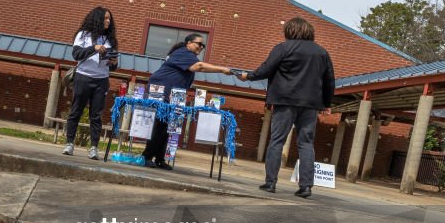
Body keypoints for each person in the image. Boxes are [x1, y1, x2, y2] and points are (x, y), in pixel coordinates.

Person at [239, 17, 335, 198]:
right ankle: (306, 187)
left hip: (285, 101)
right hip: (310, 105)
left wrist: (248, 76)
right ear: (309, 31)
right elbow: (329, 79)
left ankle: (270, 183)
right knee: (306, 143)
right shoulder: (322, 52)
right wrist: (327, 103)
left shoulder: (283, 48)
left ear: (290, 31)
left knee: (277, 140)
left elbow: (266, 69)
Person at [142, 33, 234, 169]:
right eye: (199, 44)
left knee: (168, 127)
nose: (201, 47)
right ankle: (147, 156)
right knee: (159, 125)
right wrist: (221, 69)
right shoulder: (183, 53)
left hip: (173, 97)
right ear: (189, 43)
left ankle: (159, 159)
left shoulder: (188, 56)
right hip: (160, 93)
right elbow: (199, 66)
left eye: (203, 46)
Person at [63, 7, 119, 160]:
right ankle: (69, 143)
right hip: (83, 77)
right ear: (98, 19)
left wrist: (114, 62)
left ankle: (94, 147)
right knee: (76, 111)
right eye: (105, 18)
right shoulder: (83, 35)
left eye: (109, 19)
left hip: (101, 80)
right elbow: (76, 54)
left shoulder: (110, 40)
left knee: (96, 115)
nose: (108, 21)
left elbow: (112, 66)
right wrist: (93, 48)